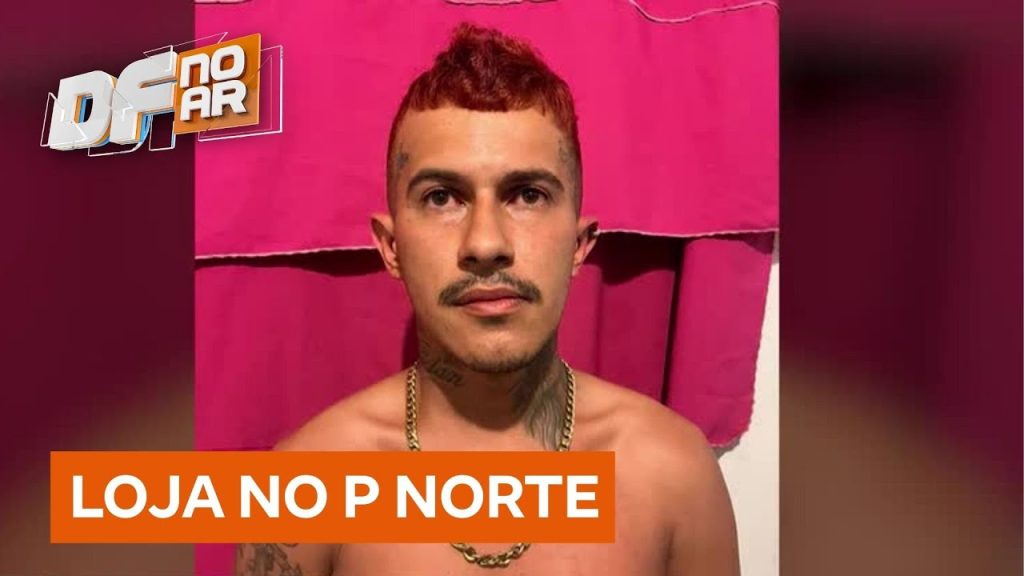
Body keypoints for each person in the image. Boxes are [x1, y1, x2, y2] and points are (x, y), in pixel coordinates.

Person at [236, 22, 739, 576]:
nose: (485, 244)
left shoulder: (674, 475)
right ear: (392, 247)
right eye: (441, 197)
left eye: (528, 195)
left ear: (579, 244)